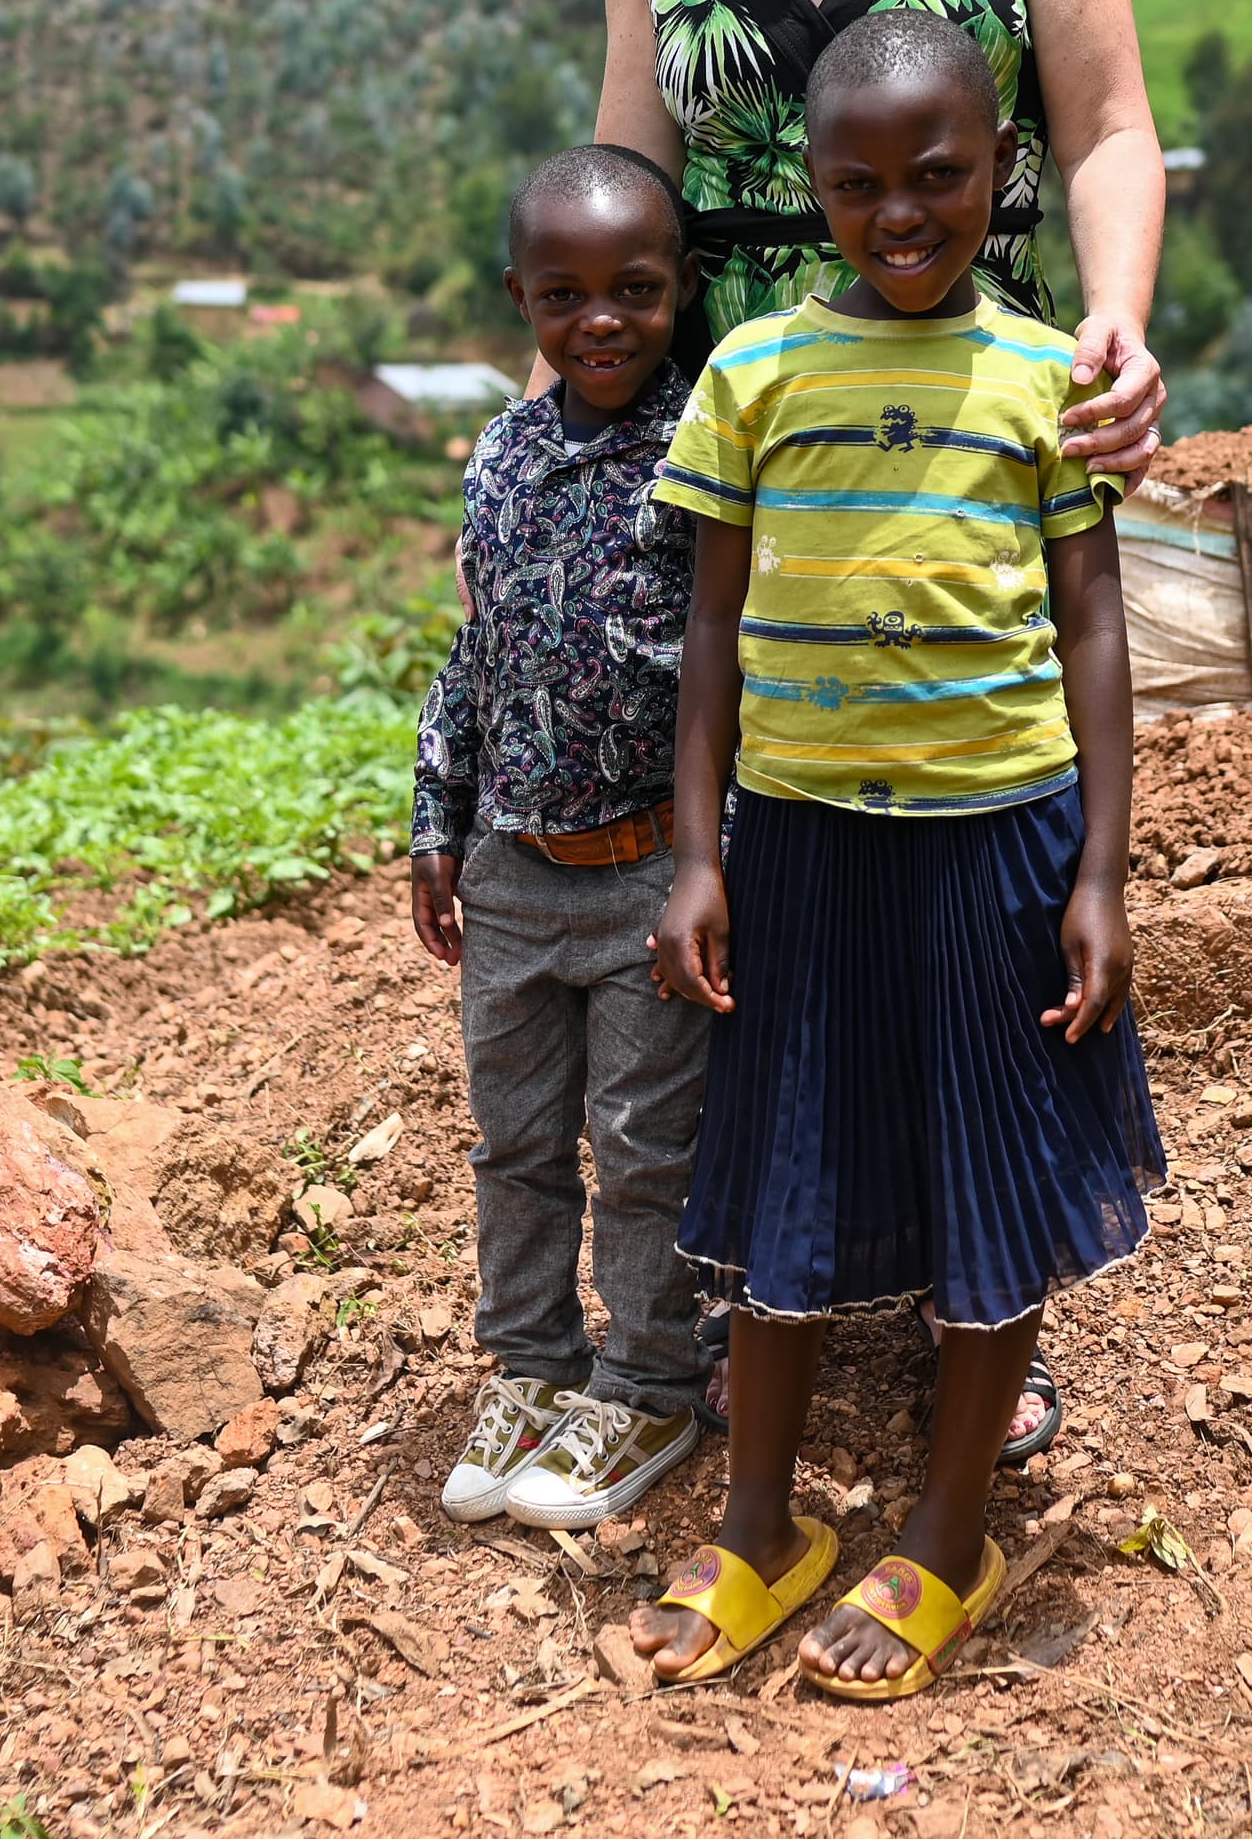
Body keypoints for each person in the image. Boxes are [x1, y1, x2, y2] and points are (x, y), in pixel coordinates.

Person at [582, 0, 1171, 1456]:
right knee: (784, 879)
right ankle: (780, 1275)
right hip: (751, 465)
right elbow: (631, 209)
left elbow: (1098, 122)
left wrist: (1115, 318)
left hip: (970, 437)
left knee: (979, 867)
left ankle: (980, 1285)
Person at [629, 12, 1160, 1701]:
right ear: (814, 186)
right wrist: (696, 851)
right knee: (782, 1177)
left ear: (999, 171)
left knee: (987, 1183)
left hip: (996, 842)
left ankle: (946, 1532)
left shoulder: (1044, 379)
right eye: (859, 185)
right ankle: (765, 1519)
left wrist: (1101, 874)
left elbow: (1093, 628)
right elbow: (711, 628)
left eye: (940, 177)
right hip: (797, 849)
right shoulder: (755, 372)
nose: (902, 215)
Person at [412, 144, 717, 1531]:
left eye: (635, 291)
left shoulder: (708, 452)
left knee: (646, 1148)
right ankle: (534, 1366)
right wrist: (438, 812)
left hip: (649, 868)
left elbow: (733, 675)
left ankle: (652, 1381)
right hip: (514, 875)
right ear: (520, 298)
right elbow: (477, 651)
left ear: (681, 289)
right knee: (516, 1141)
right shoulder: (504, 453)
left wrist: (714, 869)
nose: (601, 320)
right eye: (564, 294)